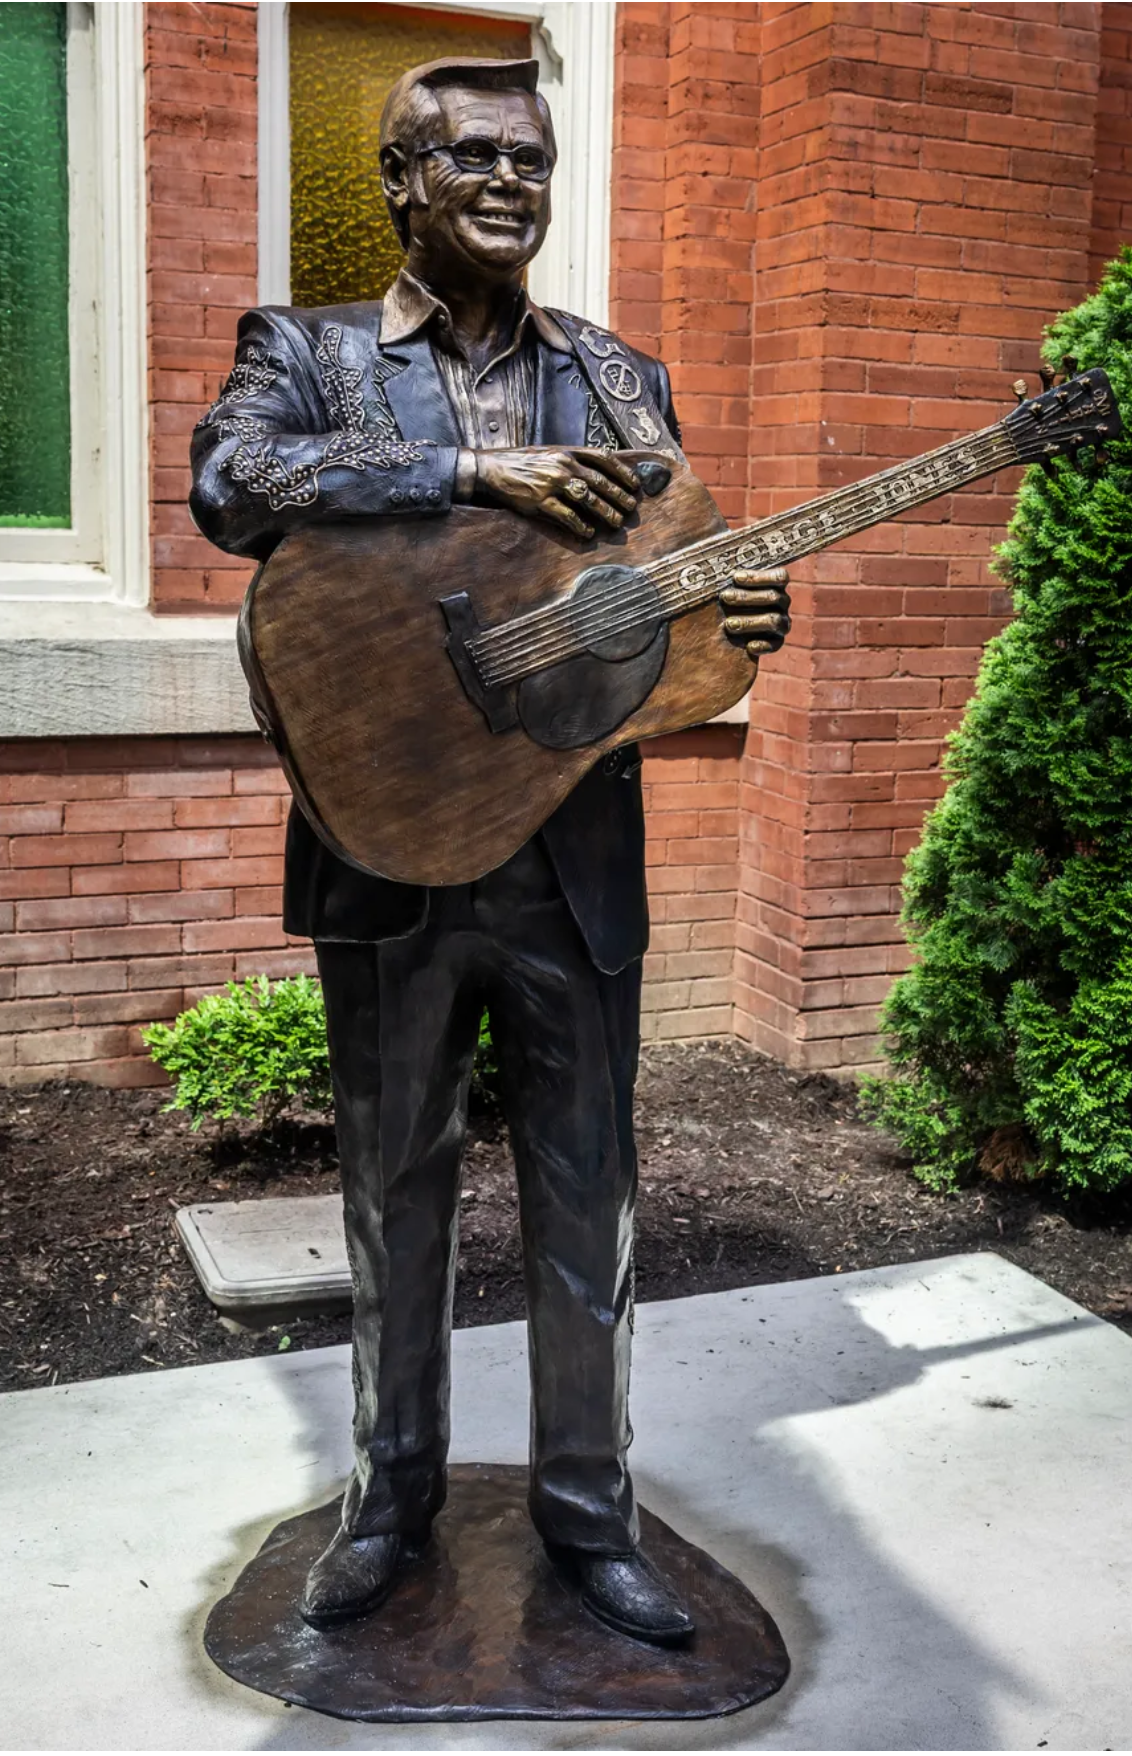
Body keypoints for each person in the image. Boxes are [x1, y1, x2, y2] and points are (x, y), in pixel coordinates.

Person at [190, 55, 790, 1648]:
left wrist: (735, 615)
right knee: (395, 1187)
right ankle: (388, 1502)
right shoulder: (309, 354)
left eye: (532, 157)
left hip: (570, 853)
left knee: (588, 1195)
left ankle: (590, 1514)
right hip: (385, 842)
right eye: (473, 158)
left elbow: (674, 573)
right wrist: (464, 470)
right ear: (402, 184)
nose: (512, 182)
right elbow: (231, 485)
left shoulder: (617, 373)